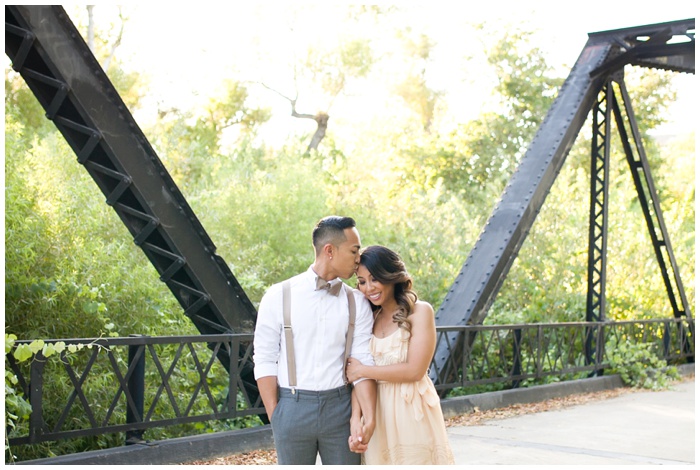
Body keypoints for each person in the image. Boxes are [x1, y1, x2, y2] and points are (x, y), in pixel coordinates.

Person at [253, 216, 377, 465]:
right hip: (292, 408)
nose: (358, 258)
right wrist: (276, 415)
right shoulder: (279, 295)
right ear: (329, 250)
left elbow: (362, 362)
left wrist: (366, 417)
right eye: (354, 250)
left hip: (341, 408)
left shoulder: (357, 302)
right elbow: (264, 358)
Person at [347, 245, 455, 465]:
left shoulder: (420, 311)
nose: (369, 288)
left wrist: (363, 370)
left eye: (374, 278)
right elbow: (356, 376)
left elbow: (415, 370)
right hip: (376, 409)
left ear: (391, 276)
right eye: (362, 281)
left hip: (410, 407)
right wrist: (355, 417)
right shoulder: (368, 317)